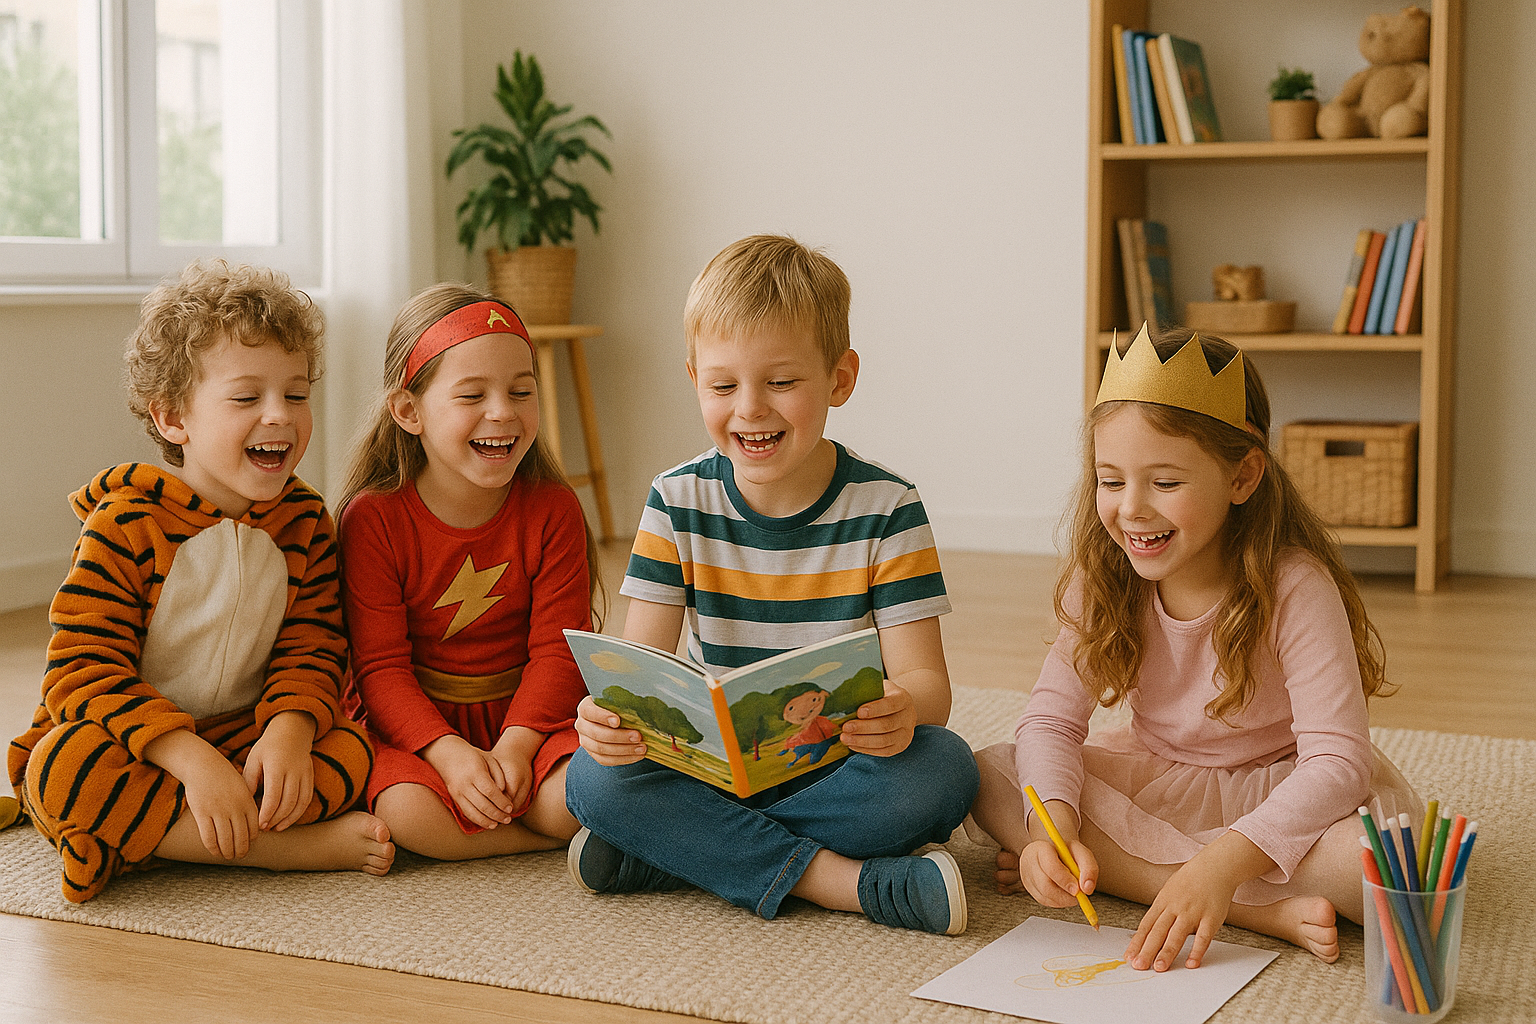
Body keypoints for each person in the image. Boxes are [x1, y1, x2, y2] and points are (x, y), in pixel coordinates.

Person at [970, 323, 1421, 970]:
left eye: (1165, 482)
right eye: (1111, 480)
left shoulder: (1296, 586)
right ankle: (1252, 910)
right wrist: (1053, 832)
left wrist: (1222, 862)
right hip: (1161, 778)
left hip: (1286, 792)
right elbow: (1050, 720)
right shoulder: (1103, 578)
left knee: (1383, 863)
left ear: (1242, 477)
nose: (1132, 509)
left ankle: (1200, 886)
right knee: (991, 773)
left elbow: (1339, 764)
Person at [565, 235, 979, 935]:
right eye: (723, 386)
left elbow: (929, 687)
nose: (750, 408)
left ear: (840, 380)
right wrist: (609, 722)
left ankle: (675, 854)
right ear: (695, 378)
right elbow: (640, 675)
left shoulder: (888, 507)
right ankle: (847, 884)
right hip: (713, 770)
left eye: (781, 382)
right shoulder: (676, 500)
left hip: (837, 767)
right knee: (591, 779)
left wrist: (902, 709)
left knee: (946, 769)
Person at [7, 260, 392, 902]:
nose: (280, 416)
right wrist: (188, 759)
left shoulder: (306, 523)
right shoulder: (125, 523)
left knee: (353, 753)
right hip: (135, 742)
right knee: (60, 769)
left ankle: (159, 837)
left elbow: (316, 648)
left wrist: (289, 729)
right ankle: (270, 851)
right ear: (173, 420)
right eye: (247, 398)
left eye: (296, 395)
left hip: (244, 733)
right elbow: (81, 670)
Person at [336, 283, 602, 860]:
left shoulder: (553, 507)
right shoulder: (373, 519)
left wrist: (515, 747)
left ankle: (520, 830)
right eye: (472, 395)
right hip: (420, 728)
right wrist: (448, 754)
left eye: (521, 390)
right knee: (408, 815)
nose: (502, 412)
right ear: (409, 411)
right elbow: (379, 668)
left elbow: (559, 652)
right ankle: (539, 842)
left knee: (577, 794)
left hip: (529, 719)